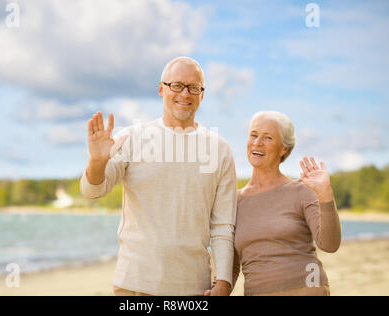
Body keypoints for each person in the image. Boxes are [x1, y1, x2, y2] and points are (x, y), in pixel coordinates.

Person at [80, 57, 237, 296]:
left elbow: (223, 225)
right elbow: (93, 190)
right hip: (134, 284)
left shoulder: (220, 149)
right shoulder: (132, 138)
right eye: (176, 85)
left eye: (193, 88)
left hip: (194, 286)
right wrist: (97, 161)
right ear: (161, 89)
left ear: (202, 95)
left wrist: (223, 282)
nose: (185, 94)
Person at [208, 110, 341, 296]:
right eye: (253, 135)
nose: (257, 143)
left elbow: (329, 244)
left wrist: (326, 195)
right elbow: (232, 262)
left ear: (284, 148)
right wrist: (220, 288)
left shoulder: (302, 190)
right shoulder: (234, 201)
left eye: (267, 137)